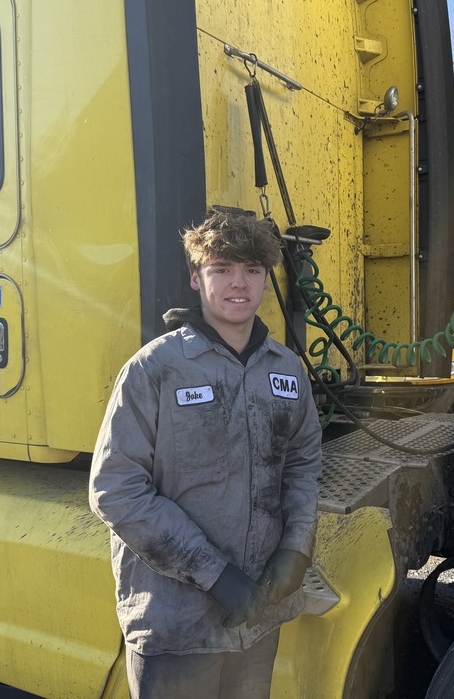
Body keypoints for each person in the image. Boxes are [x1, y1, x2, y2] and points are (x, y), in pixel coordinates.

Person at [89, 210, 323, 697]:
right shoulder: (156, 369)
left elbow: (302, 464)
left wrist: (296, 549)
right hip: (178, 627)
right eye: (221, 270)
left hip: (257, 619)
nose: (239, 285)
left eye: (252, 271)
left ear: (265, 280)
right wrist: (215, 576)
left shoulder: (286, 370)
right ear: (196, 279)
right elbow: (115, 489)